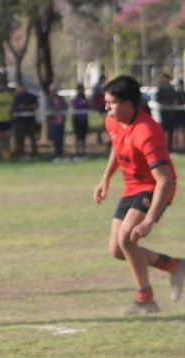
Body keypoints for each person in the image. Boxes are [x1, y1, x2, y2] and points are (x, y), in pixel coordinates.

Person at [92, 75, 184, 315]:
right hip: (131, 187)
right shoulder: (113, 121)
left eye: (111, 103)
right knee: (117, 249)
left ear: (128, 104)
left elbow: (164, 180)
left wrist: (148, 221)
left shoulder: (147, 132)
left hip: (154, 187)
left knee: (127, 240)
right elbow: (117, 146)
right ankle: (175, 265)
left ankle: (146, 299)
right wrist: (106, 179)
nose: (106, 107)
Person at [12, 82, 39, 160]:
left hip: (30, 120)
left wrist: (28, 107)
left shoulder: (30, 96)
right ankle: (20, 154)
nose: (19, 89)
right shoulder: (15, 97)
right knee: (20, 139)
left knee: (32, 138)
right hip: (19, 121)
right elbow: (13, 108)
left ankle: (34, 154)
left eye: (20, 87)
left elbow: (36, 105)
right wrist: (19, 108)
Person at [155, 74, 179, 153]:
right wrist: (165, 106)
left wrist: (172, 105)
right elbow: (158, 100)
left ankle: (170, 149)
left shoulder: (172, 90)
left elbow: (176, 99)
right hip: (163, 113)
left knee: (171, 131)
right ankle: (162, 148)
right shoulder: (160, 90)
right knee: (163, 131)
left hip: (171, 113)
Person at [47, 84, 68, 161]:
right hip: (53, 122)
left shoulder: (61, 98)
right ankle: (56, 154)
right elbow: (49, 108)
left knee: (61, 138)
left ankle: (61, 154)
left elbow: (65, 106)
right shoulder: (49, 99)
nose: (55, 91)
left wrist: (60, 109)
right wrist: (56, 109)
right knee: (55, 139)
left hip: (61, 121)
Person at [71, 84, 91, 159]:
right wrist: (83, 103)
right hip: (77, 120)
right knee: (78, 137)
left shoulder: (85, 98)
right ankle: (78, 152)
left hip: (84, 120)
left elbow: (89, 105)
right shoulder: (76, 99)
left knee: (83, 137)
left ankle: (83, 152)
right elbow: (75, 105)